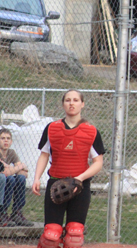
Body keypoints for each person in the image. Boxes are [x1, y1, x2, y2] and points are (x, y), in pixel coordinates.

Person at [32, 89, 105, 248]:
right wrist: (37, 178)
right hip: (56, 185)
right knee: (51, 236)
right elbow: (44, 155)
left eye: (75, 100)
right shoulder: (52, 128)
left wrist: (80, 178)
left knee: (74, 236)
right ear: (63, 104)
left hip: (80, 186)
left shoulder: (91, 131)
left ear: (82, 104)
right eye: (68, 100)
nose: (71, 103)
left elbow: (98, 162)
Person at [0, 128, 33, 227]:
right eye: (2, 138)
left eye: (8, 138)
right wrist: (20, 166)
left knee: (21, 178)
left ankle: (17, 213)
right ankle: (2, 212)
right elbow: (5, 172)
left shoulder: (11, 152)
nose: (6, 141)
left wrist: (15, 168)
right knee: (10, 178)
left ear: (11, 141)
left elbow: (25, 172)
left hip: (6, 177)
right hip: (2, 180)